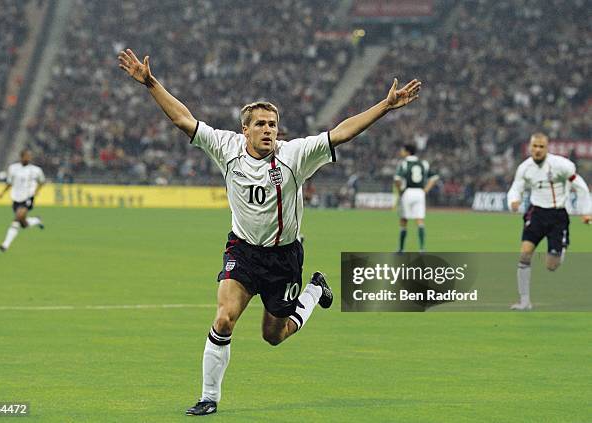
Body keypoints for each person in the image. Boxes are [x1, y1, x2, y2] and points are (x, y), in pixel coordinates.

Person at [118, 48, 421, 415]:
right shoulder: (225, 147)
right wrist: (150, 83)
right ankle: (208, 398)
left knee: (273, 336)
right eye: (260, 124)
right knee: (223, 318)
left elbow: (340, 133)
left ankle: (313, 291)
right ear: (244, 129)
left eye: (272, 124)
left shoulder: (294, 155)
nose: (268, 130)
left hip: (283, 257)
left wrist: (384, 106)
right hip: (243, 251)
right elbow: (184, 119)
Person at [507, 133, 591, 310]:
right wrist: (513, 200)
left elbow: (580, 185)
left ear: (547, 148)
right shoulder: (525, 168)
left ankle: (561, 248)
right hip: (536, 213)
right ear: (530, 147)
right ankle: (524, 301)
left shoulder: (561, 165)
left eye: (541, 147)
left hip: (557, 216)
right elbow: (516, 187)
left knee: (551, 265)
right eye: (534, 146)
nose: (537, 150)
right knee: (524, 254)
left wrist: (586, 211)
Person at [0, 149, 45, 252]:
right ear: (21, 157)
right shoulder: (13, 168)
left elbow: (42, 181)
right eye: (27, 156)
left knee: (17, 218)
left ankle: (5, 245)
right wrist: (3, 193)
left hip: (28, 198)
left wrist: (36, 192)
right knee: (22, 223)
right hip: (16, 198)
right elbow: (10, 182)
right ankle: (36, 220)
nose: (29, 158)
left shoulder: (36, 170)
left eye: (30, 156)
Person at [393, 144, 438, 253]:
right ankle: (422, 248)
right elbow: (434, 177)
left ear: (407, 152)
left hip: (408, 192)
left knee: (404, 219)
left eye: (402, 150)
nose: (401, 152)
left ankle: (401, 249)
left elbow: (397, 179)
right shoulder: (423, 163)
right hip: (419, 192)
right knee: (420, 220)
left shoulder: (404, 163)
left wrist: (400, 192)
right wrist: (426, 190)